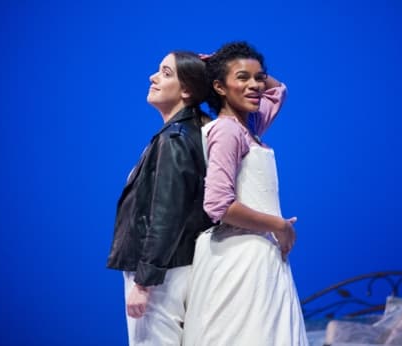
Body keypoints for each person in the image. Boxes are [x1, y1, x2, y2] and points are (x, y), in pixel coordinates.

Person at [183, 41, 309, 345]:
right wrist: (278, 225)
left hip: (256, 253)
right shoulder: (227, 131)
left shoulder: (248, 126)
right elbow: (218, 205)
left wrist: (220, 62)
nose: (255, 85)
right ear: (220, 87)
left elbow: (279, 91)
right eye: (243, 77)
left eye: (258, 77)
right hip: (240, 258)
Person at [106, 51, 213, 345]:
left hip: (162, 274)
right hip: (174, 268)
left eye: (166, 73)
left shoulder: (174, 138)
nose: (153, 77)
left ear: (187, 90)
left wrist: (144, 281)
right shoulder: (193, 130)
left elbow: (167, 213)